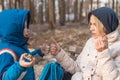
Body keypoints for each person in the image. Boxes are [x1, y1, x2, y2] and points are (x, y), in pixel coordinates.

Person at [50, 7, 120, 80]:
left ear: (106, 25)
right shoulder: (91, 42)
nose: (91, 28)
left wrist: (104, 53)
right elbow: (77, 68)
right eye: (90, 24)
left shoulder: (118, 47)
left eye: (95, 24)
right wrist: (59, 53)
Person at [0, 9, 46, 80]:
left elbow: (27, 60)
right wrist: (20, 67)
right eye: (24, 27)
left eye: (27, 26)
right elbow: (5, 77)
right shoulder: (7, 52)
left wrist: (39, 53)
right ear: (14, 29)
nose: (28, 29)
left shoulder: (18, 45)